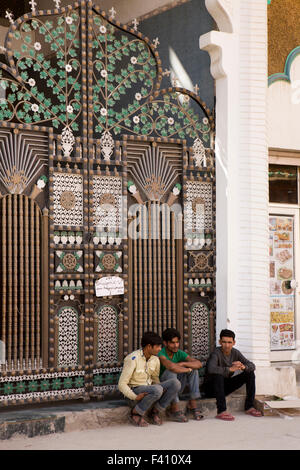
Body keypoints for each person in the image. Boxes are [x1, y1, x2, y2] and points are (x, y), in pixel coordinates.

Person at [118, 331, 182, 427]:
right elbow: (121, 384)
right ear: (149, 346)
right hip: (135, 391)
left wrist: (161, 390)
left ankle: (155, 412)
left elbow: (155, 379)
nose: (160, 349)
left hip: (149, 390)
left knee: (175, 383)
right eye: (158, 347)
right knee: (157, 389)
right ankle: (136, 413)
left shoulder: (155, 359)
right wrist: (135, 397)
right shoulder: (132, 359)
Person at [203, 329, 262, 421]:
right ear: (220, 342)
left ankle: (249, 407)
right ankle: (221, 411)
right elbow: (211, 369)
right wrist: (229, 369)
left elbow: (252, 365)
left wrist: (243, 367)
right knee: (218, 376)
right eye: (224, 342)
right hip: (211, 389)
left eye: (229, 342)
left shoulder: (235, 352)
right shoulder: (216, 353)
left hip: (224, 388)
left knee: (249, 373)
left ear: (234, 342)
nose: (227, 345)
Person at [158, 328, 203, 422]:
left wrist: (183, 364)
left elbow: (199, 364)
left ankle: (192, 404)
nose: (175, 345)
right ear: (165, 343)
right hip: (164, 390)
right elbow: (171, 367)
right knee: (171, 371)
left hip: (178, 388)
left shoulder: (179, 353)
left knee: (193, 370)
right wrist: (182, 367)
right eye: (172, 343)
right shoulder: (161, 354)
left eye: (177, 342)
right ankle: (174, 409)